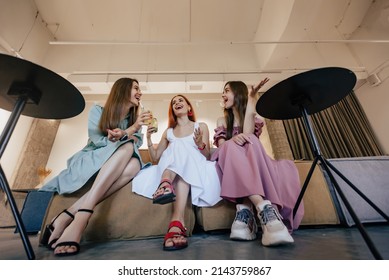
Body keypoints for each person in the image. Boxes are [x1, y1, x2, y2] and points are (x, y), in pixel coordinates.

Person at [39, 77, 151, 256]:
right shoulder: (98, 110)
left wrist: (128, 131)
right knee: (127, 147)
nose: (140, 92)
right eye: (135, 88)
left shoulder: (134, 118)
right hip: (94, 156)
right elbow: (99, 141)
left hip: (123, 158)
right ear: (122, 89)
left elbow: (137, 143)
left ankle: (68, 214)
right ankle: (81, 218)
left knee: (135, 165)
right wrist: (129, 132)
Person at [211, 78, 304, 247]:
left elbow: (248, 135)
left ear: (238, 94)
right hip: (229, 158)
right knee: (230, 146)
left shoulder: (252, 116)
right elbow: (222, 146)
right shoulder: (221, 121)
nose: (222, 94)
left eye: (227, 90)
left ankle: (245, 212)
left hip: (252, 159)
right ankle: (264, 208)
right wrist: (233, 141)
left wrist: (252, 100)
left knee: (251, 139)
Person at [132, 94, 221, 250]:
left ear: (188, 107)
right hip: (174, 169)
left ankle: (165, 184)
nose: (177, 103)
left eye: (181, 100)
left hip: (196, 166)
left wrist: (200, 144)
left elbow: (207, 156)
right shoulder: (169, 132)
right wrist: (148, 137)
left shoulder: (201, 126)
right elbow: (156, 158)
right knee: (177, 152)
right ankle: (176, 223)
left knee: (180, 149)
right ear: (172, 110)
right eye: (174, 102)